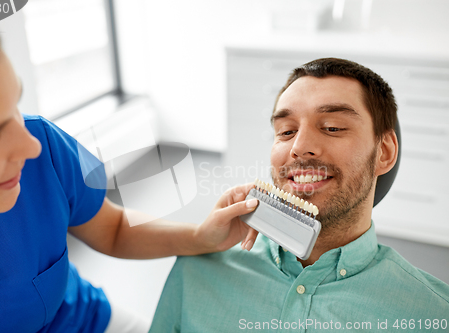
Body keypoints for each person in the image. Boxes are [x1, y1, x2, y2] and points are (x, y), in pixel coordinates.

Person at [0, 4, 261, 333]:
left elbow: (112, 229)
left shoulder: (44, 145)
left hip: (86, 322)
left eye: (14, 106)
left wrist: (200, 237)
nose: (31, 147)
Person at [149, 58, 449, 332]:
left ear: (383, 152)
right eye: (286, 131)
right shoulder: (197, 269)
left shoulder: (435, 314)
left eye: (332, 127)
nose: (299, 146)